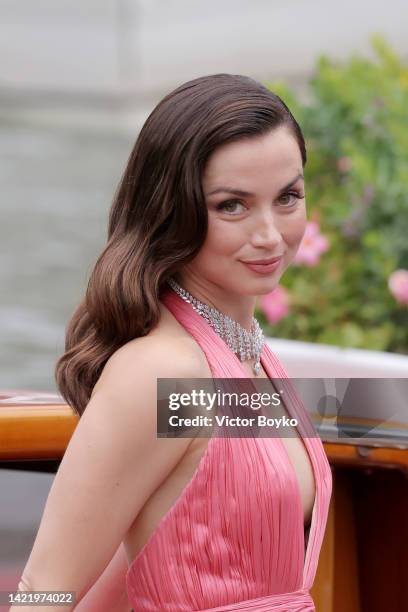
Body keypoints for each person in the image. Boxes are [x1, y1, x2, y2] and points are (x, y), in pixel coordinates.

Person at [13, 74, 332, 612]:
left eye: (287, 197)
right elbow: (45, 589)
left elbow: (139, 558)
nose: (270, 235)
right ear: (171, 210)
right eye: (232, 205)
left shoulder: (244, 359)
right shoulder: (159, 374)